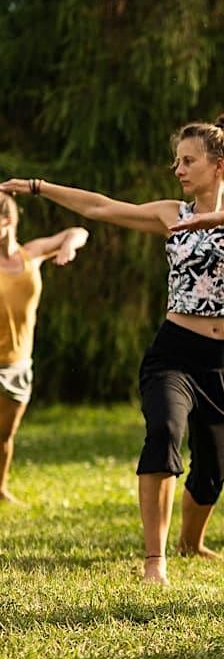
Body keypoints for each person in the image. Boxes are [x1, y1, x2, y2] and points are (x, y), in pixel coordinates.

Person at [1, 114, 224, 585]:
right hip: (174, 353)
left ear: (218, 165)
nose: (178, 169)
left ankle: (191, 541)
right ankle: (154, 560)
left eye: (188, 161)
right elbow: (101, 208)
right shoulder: (171, 214)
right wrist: (40, 186)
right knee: (163, 433)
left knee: (211, 475)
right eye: (176, 161)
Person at [0, 192, 88, 502]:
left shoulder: (31, 254)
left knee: (5, 435)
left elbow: (79, 231)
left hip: (18, 363)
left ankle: (0, 488)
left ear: (7, 222)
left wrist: (67, 246)